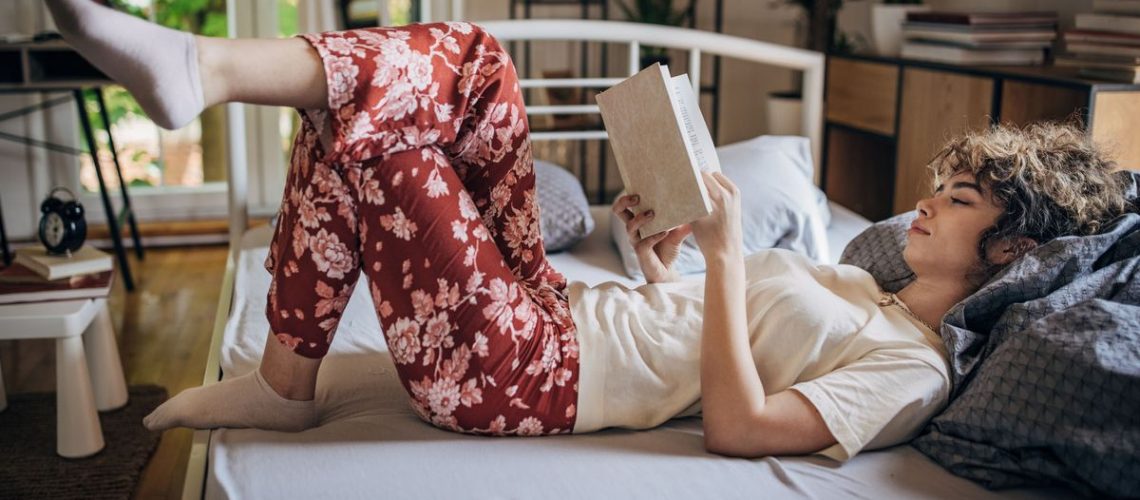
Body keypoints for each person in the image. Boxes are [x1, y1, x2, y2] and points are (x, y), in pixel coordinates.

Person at [46, 0, 1130, 460]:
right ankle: (208, 70)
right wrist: (658, 255)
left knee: (380, 143)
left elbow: (739, 425)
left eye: (962, 200)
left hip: (527, 375)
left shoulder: (914, 368)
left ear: (1011, 250)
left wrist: (725, 256)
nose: (926, 203)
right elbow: (687, 333)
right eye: (943, 186)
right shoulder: (862, 290)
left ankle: (285, 376)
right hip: (554, 308)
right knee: (479, 64)